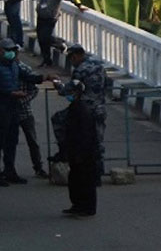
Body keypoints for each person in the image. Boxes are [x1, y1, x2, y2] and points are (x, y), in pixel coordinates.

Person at [0, 38, 45, 186]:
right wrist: (12, 93)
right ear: (1, 51)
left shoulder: (14, 65)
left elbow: (27, 77)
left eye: (13, 50)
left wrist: (44, 78)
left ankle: (10, 171)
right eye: (8, 50)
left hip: (13, 108)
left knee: (12, 141)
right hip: (0, 109)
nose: (11, 53)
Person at [51, 44, 108, 183]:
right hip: (100, 108)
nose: (72, 62)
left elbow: (69, 90)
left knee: (58, 120)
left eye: (71, 59)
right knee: (98, 141)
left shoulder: (80, 70)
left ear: (75, 56)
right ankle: (98, 172)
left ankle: (64, 151)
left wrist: (58, 84)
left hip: (84, 111)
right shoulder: (99, 66)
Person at [60, 79, 99, 217]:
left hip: (84, 151)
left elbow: (84, 133)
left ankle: (86, 208)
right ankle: (78, 205)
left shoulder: (82, 109)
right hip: (77, 150)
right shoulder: (76, 106)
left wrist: (79, 153)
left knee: (84, 180)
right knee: (76, 179)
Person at [34, 0, 88, 67]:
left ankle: (60, 43)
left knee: (46, 37)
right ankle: (46, 60)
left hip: (51, 17)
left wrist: (79, 5)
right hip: (41, 15)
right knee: (41, 39)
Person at [17, 77, 49, 179]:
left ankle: (38, 167)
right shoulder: (7, 72)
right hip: (11, 113)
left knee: (32, 141)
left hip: (26, 113)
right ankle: (8, 169)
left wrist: (22, 100)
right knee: (9, 142)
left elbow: (35, 90)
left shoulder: (25, 72)